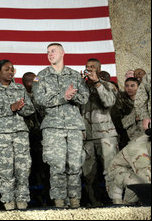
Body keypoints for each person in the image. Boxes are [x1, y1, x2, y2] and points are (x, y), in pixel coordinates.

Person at [32, 43, 89, 208]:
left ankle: (75, 199)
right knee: (56, 165)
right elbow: (39, 99)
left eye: (53, 51)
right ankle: (59, 201)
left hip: (74, 126)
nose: (50, 54)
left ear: (63, 53)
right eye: (48, 52)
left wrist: (73, 96)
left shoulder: (75, 76)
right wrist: (63, 97)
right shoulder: (40, 76)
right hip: (53, 127)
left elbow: (84, 98)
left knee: (75, 165)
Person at [0, 61, 35, 210]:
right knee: (5, 169)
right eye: (6, 69)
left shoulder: (20, 88)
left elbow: (30, 109)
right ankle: (8, 201)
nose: (10, 72)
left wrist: (20, 108)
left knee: (23, 169)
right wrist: (10, 108)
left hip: (20, 133)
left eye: (12, 69)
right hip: (1, 135)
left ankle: (23, 200)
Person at [81, 58, 119, 206]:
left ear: (98, 68)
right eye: (87, 67)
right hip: (87, 137)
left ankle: (115, 199)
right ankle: (94, 202)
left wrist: (97, 83)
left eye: (92, 67)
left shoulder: (108, 86)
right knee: (89, 173)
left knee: (110, 170)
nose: (89, 69)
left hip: (106, 135)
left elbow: (108, 102)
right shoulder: (81, 89)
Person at [22, 72, 50, 207]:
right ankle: (31, 198)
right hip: (25, 138)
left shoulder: (41, 96)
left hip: (41, 137)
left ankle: (45, 197)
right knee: (28, 170)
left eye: (33, 81)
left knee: (43, 170)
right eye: (29, 81)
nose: (32, 83)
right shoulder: (20, 96)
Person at [106, 128, 151, 205]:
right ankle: (127, 205)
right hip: (117, 174)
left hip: (134, 171)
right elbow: (146, 178)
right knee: (142, 180)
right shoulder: (139, 148)